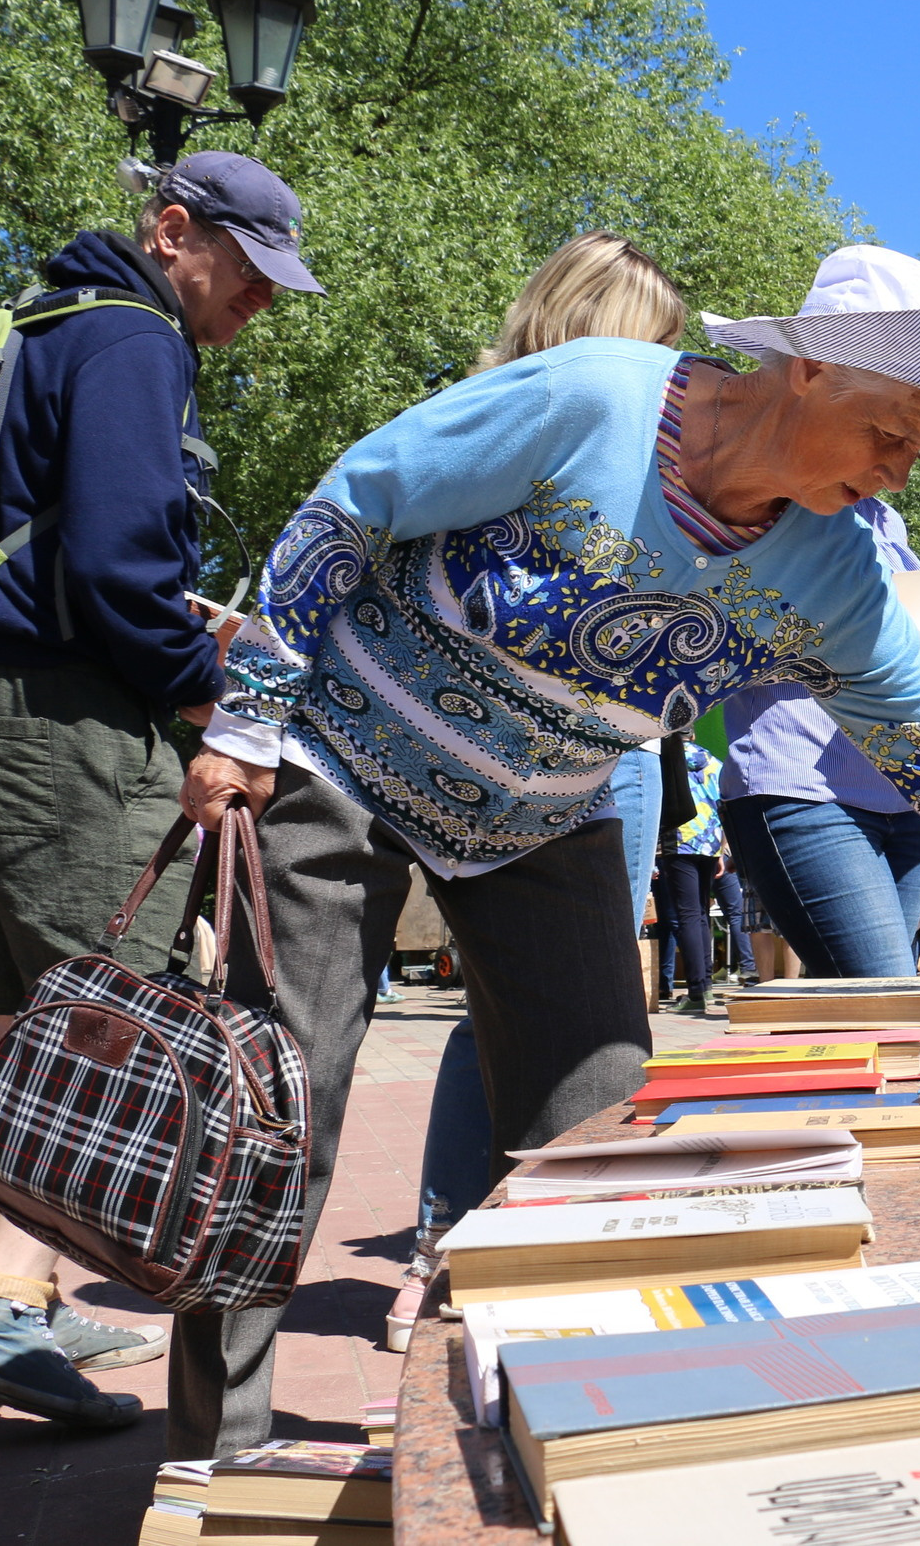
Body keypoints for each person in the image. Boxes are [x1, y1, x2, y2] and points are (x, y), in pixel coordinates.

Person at [177, 245, 920, 1457]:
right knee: (276, 1109)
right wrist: (247, 719)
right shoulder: (595, 397)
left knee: (597, 1122)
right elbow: (359, 500)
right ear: (809, 369)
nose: (903, 465)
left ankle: (573, 1431)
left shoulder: (832, 562)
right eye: (895, 430)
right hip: (344, 761)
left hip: (539, 818)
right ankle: (217, 1457)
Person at [0, 152, 321, 1428]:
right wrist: (199, 678)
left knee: (20, 1001)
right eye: (245, 277)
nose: (253, 308)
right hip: (63, 715)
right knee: (117, 1002)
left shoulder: (45, 326)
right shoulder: (137, 337)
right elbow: (119, 550)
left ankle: (13, 1296)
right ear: (174, 230)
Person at [384, 230, 687, 1356]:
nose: (661, 382)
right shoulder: (505, 422)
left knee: (565, 1016)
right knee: (517, 1012)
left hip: (600, 760)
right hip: (464, 757)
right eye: (645, 348)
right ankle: (455, 1243)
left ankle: (513, 1264)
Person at [717, 497, 920, 980]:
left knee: (874, 1014)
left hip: (901, 799)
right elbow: (714, 640)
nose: (906, 465)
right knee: (889, 1001)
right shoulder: (768, 496)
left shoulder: (886, 517)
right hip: (802, 790)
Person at [652, 739, 727, 1011]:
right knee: (701, 914)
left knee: (687, 915)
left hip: (678, 839)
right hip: (709, 841)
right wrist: (721, 848)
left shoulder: (664, 757)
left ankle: (696, 991)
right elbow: (722, 799)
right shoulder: (711, 759)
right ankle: (704, 986)